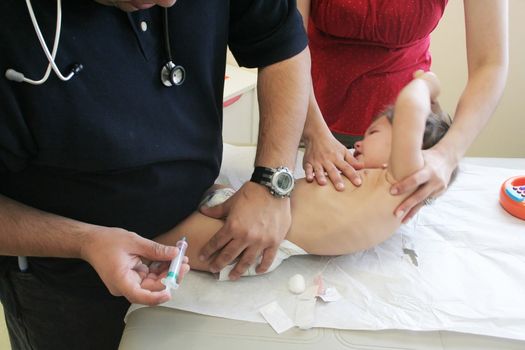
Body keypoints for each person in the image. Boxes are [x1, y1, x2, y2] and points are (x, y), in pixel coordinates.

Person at [0, 0, 309, 348]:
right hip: (62, 275)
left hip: (187, 245)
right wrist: (83, 241)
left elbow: (280, 40)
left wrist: (273, 182)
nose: (169, 3)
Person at [153, 71, 458, 278]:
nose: (360, 143)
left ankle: (127, 244)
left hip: (262, 241)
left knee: (157, 235)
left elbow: (410, 106)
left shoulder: (399, 184)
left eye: (374, 132)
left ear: (408, 148)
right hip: (255, 212)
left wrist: (426, 82)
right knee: (195, 192)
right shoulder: (385, 189)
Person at [296, 0, 508, 223]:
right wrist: (314, 132)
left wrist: (448, 154)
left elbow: (490, 64)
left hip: (404, 141)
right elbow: (286, 45)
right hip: (310, 116)